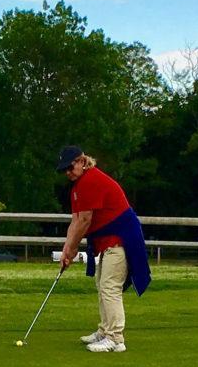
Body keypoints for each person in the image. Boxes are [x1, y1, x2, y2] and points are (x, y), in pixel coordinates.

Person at [55, 146, 150, 353]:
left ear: (81, 161)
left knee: (110, 287)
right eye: (64, 170)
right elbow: (76, 220)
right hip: (107, 241)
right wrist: (66, 250)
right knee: (102, 283)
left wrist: (71, 250)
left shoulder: (90, 181)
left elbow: (85, 221)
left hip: (121, 238)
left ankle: (115, 338)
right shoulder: (78, 187)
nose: (68, 173)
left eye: (70, 167)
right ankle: (105, 331)